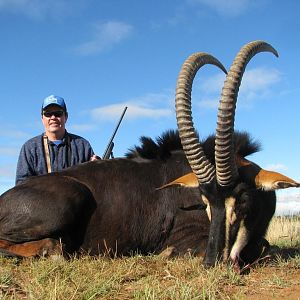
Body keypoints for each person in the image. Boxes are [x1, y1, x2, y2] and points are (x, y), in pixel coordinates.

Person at [16, 95, 98, 185]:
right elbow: (21, 186)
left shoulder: (83, 145)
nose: (53, 117)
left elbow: (94, 184)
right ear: (42, 118)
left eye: (58, 113)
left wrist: (97, 168)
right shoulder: (29, 148)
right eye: (48, 114)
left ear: (66, 117)